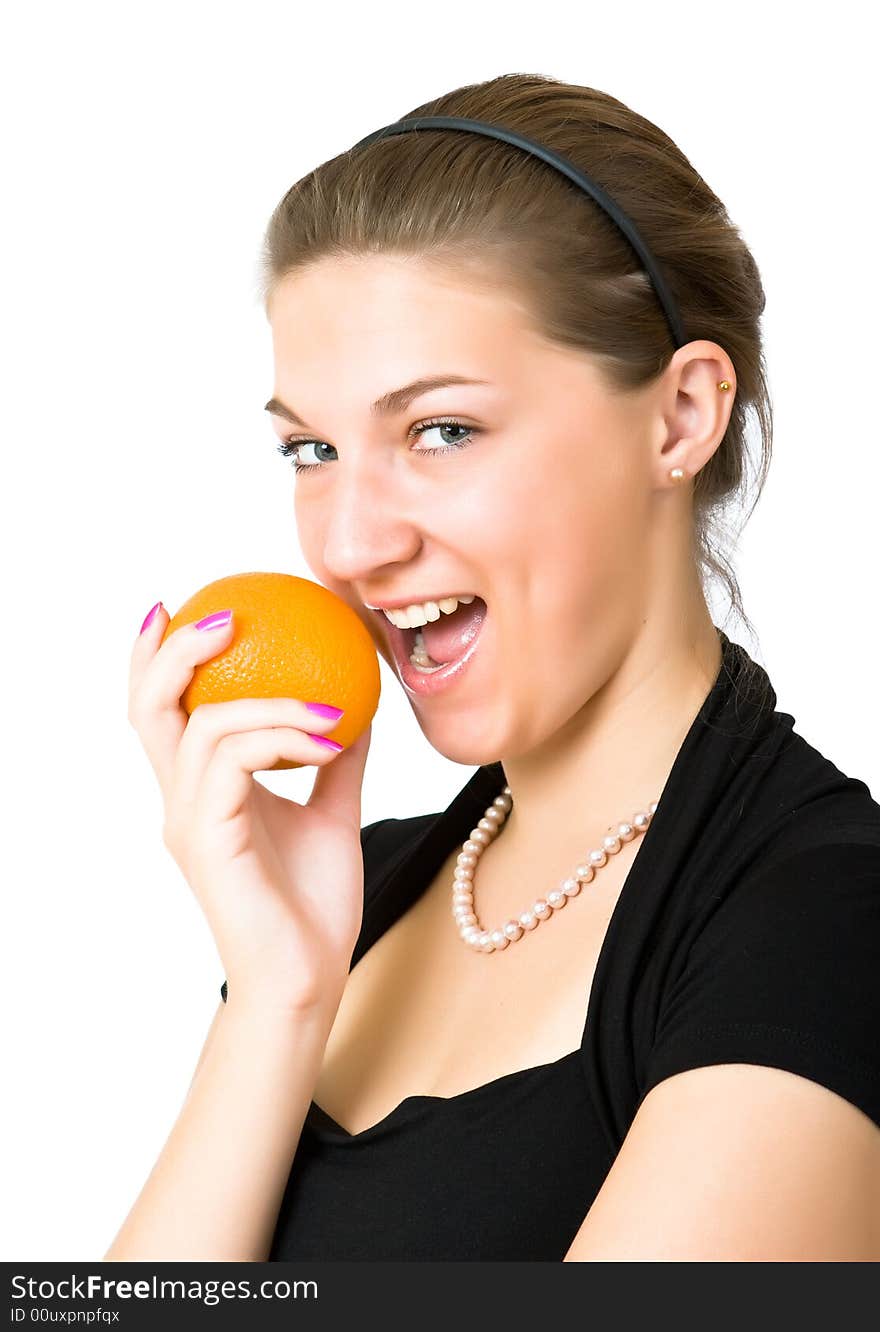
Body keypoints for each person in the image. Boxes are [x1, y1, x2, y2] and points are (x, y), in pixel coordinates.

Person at [109, 73, 880, 1262]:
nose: (351, 543)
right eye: (310, 448)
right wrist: (275, 1004)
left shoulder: (828, 925)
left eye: (441, 431)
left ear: (678, 418)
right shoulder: (352, 899)